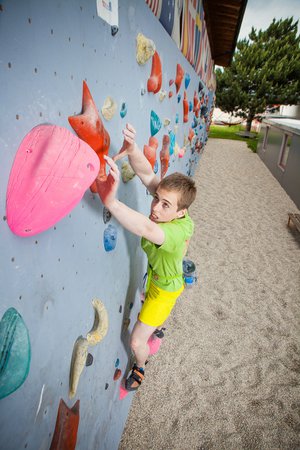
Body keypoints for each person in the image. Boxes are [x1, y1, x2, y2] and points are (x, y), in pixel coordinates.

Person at [96, 123, 196, 391]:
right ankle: (156, 325)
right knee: (148, 311)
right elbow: (147, 175)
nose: (156, 207)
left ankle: (140, 366)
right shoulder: (172, 208)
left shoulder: (172, 233)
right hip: (157, 277)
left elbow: (146, 227)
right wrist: (132, 149)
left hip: (164, 290)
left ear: (180, 212)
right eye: (157, 199)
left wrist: (112, 203)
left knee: (137, 342)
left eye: (165, 205)